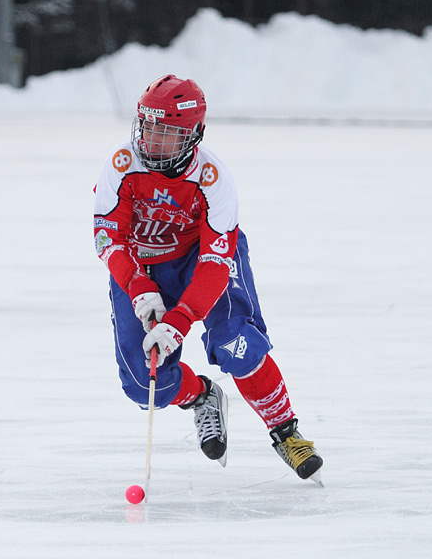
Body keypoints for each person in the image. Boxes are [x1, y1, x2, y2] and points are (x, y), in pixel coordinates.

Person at [92, 74, 323, 481]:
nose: (149, 140)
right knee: (143, 384)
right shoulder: (122, 165)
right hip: (143, 268)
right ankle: (201, 396)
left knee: (236, 341)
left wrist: (178, 322)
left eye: (163, 132)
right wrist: (138, 285)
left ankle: (286, 431)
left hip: (199, 260)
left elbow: (216, 262)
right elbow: (108, 238)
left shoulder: (212, 178)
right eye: (145, 127)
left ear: (192, 135)